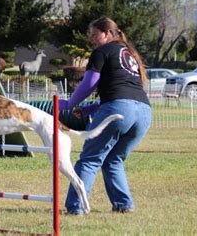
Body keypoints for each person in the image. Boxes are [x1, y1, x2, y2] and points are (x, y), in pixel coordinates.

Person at [59, 16, 151, 215]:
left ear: (108, 33)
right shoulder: (129, 54)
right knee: (113, 159)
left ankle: (76, 208)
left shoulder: (102, 51)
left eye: (94, 34)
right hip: (144, 112)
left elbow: (89, 83)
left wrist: (69, 104)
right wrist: (87, 110)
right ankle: (124, 205)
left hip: (120, 109)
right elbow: (120, 95)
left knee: (89, 159)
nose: (91, 39)